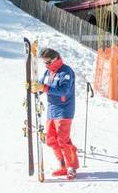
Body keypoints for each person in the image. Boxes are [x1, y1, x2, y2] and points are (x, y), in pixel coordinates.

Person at [29, 48, 78, 180]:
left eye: (48, 62)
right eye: (45, 63)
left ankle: (71, 167)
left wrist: (44, 88)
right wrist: (33, 87)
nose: (46, 65)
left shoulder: (66, 71)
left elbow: (63, 91)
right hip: (51, 110)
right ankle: (62, 165)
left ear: (56, 58)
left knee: (63, 140)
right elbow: (41, 86)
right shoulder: (47, 72)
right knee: (51, 140)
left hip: (64, 110)